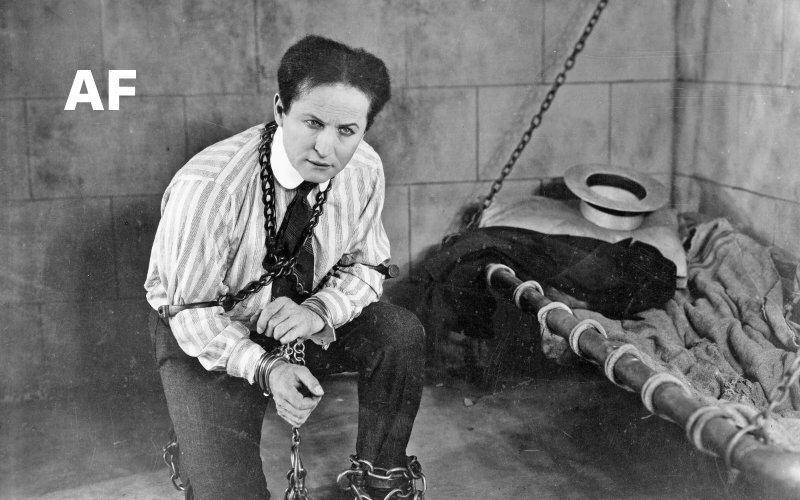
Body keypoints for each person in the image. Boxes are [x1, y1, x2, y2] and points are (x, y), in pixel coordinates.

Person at [145, 35, 425, 499]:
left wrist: (317, 312)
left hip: (298, 321)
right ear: (280, 109)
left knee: (399, 333)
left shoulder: (364, 169)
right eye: (312, 122)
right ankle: (199, 439)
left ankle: (381, 478)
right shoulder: (209, 186)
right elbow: (192, 315)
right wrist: (268, 369)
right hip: (210, 333)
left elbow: (368, 266)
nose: (326, 149)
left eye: (347, 131)